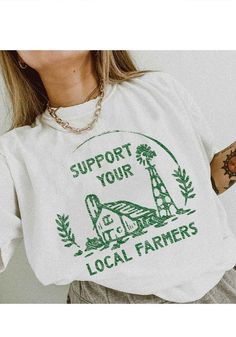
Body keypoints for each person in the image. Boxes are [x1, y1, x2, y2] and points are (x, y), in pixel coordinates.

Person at [0, 50, 235, 304]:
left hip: (216, 284)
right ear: (18, 57)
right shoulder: (15, 152)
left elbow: (205, 183)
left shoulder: (158, 90)